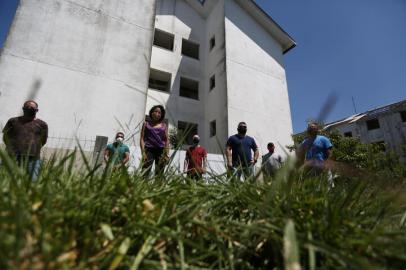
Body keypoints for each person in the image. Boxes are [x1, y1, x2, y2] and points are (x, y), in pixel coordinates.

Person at [2, 100, 48, 180]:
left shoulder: (42, 124)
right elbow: (5, 137)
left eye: (32, 107)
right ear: (23, 109)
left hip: (33, 158)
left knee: (32, 182)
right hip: (12, 156)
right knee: (8, 180)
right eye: (27, 107)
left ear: (37, 110)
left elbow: (43, 140)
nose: (29, 108)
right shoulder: (13, 121)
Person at [140, 105, 169, 177]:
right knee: (145, 171)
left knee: (159, 173)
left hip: (161, 151)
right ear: (152, 113)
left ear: (161, 115)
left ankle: (158, 187)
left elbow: (166, 140)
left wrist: (166, 154)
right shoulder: (146, 124)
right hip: (149, 150)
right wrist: (143, 152)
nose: (157, 114)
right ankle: (143, 187)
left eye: (159, 112)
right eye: (155, 111)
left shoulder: (164, 125)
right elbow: (142, 138)